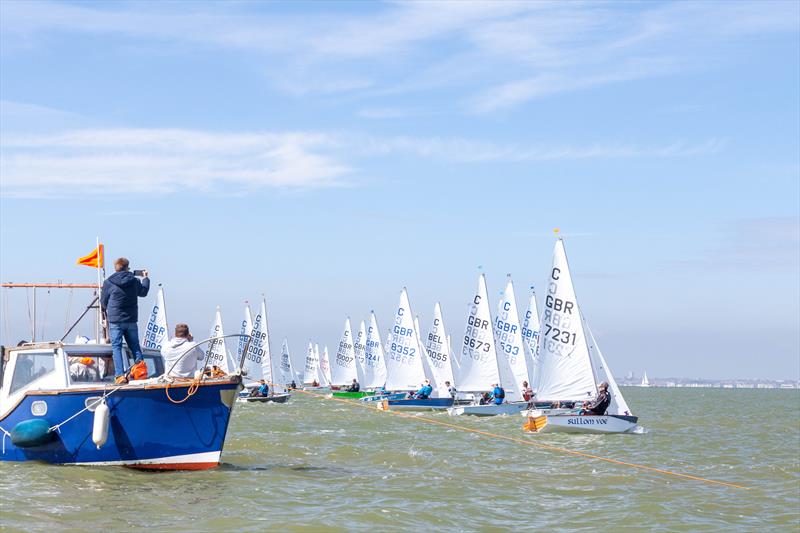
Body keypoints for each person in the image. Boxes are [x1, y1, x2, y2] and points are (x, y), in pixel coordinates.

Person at [100, 258, 150, 384]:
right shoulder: (134, 281)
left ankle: (120, 376)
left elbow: (103, 302)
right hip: (131, 319)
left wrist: (109, 310)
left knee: (116, 347)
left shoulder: (108, 282)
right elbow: (143, 292)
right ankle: (140, 373)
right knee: (135, 347)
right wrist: (146, 279)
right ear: (127, 268)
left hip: (115, 320)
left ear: (115, 268)